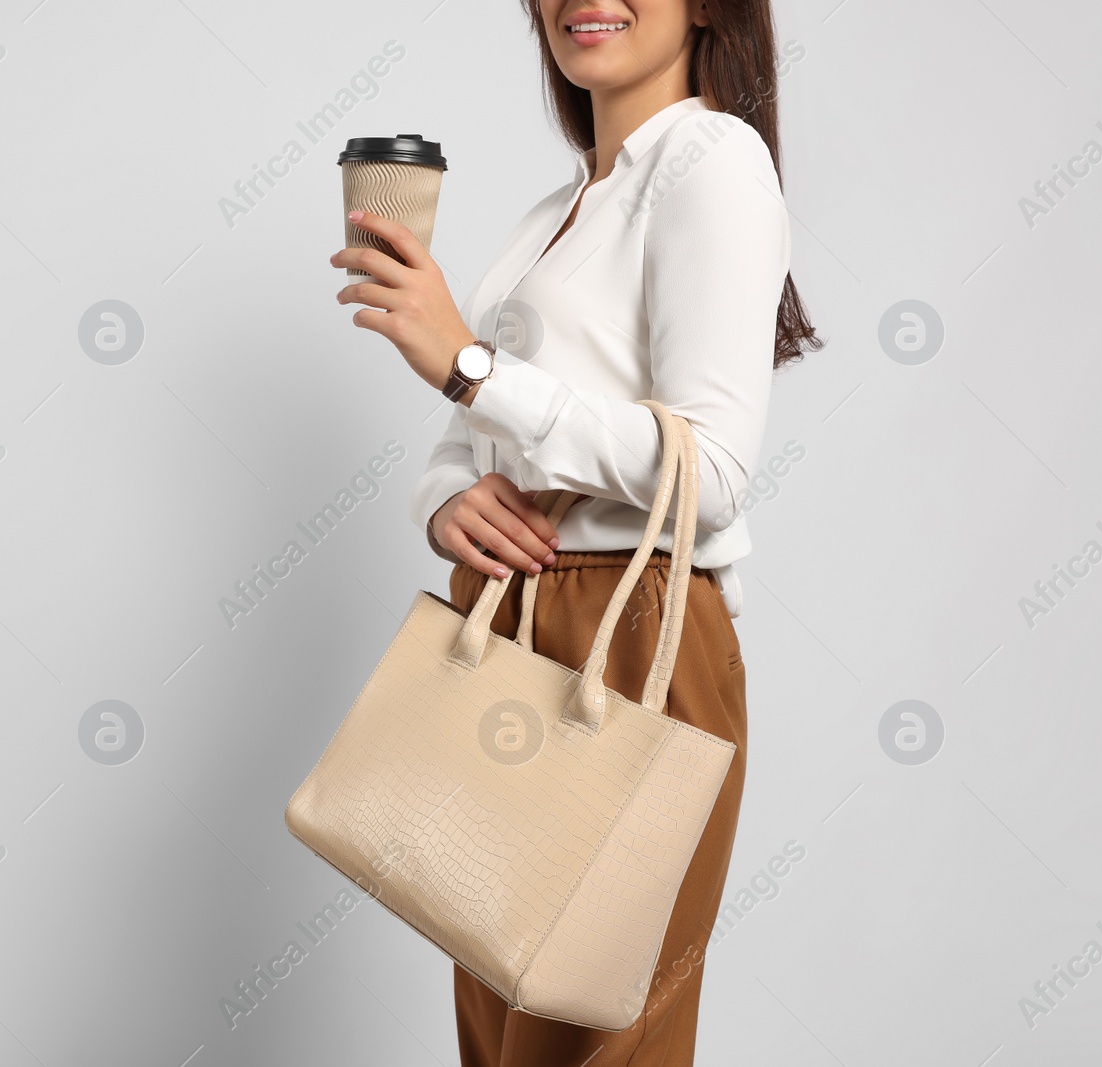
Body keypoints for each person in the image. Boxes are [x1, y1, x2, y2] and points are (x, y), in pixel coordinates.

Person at [327, 1, 822, 1062]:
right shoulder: (563, 205)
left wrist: (467, 362)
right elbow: (479, 441)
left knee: (588, 1039)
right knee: (505, 1034)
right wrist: (442, 499)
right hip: (510, 624)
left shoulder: (710, 158)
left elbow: (713, 470)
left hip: (633, 632)